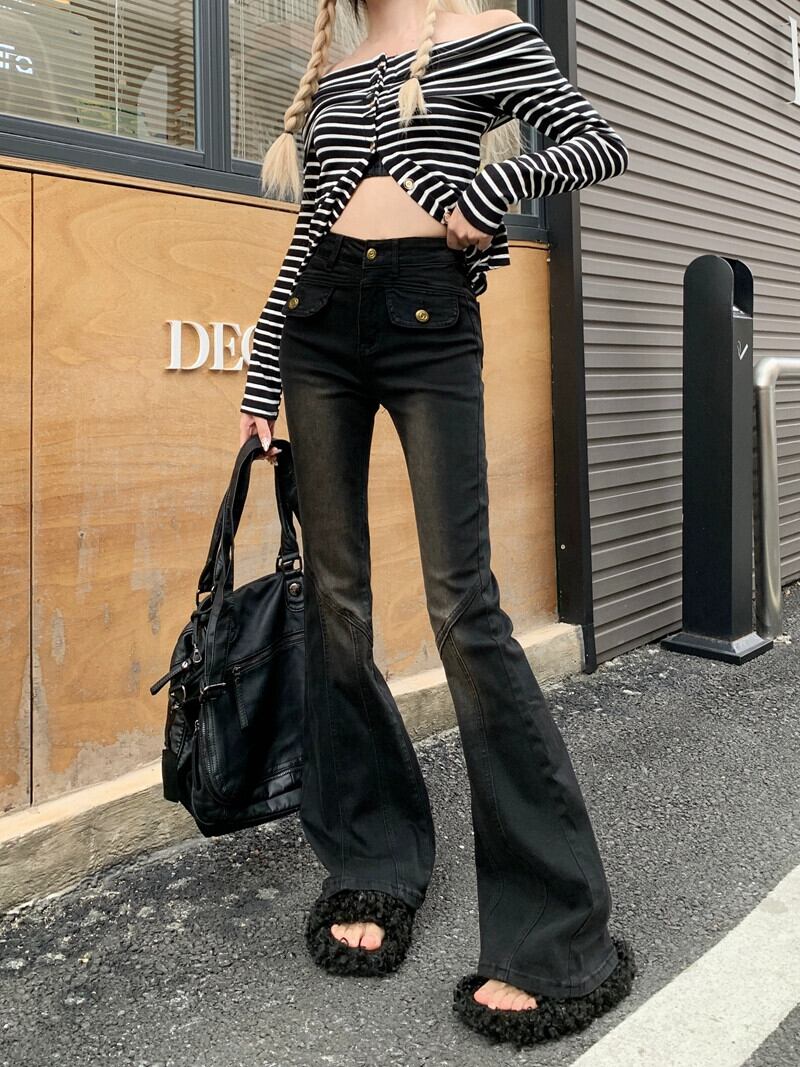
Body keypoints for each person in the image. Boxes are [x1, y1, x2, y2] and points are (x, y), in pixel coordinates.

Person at [239, 0, 635, 1047]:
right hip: (319, 324)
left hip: (427, 316)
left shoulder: (487, 31)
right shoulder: (337, 68)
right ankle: (370, 859)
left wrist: (490, 190)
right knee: (334, 602)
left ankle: (556, 930)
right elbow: (309, 229)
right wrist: (261, 368)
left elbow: (595, 140)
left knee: (464, 607)